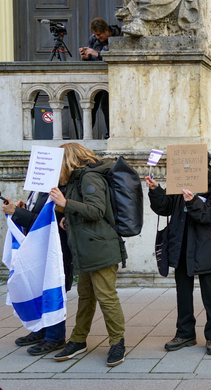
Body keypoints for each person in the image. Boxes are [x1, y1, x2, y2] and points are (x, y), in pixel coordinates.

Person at [48, 143, 126, 367]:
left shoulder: (90, 178)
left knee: (106, 297)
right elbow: (82, 210)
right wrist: (67, 214)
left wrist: (65, 204)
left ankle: (117, 343)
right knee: (86, 297)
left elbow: (96, 210)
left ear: (69, 160)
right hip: (86, 249)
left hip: (100, 248)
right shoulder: (77, 179)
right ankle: (78, 340)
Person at [146, 153, 211, 355]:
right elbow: (165, 208)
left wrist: (192, 202)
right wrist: (156, 191)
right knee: (183, 291)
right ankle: (185, 333)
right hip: (181, 244)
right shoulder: (179, 183)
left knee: (210, 292)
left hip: (207, 246)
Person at [1, 192, 74, 356]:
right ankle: (42, 329)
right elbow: (38, 215)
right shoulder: (41, 188)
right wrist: (22, 210)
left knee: (51, 288)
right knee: (37, 286)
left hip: (54, 248)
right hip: (39, 248)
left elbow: (50, 222)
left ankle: (55, 336)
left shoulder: (59, 187)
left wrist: (17, 213)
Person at [79, 17, 121, 139]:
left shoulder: (118, 37)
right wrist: (85, 56)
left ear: (107, 30)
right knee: (90, 105)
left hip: (113, 79)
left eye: (99, 34)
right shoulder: (93, 38)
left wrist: (97, 54)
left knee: (107, 106)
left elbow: (117, 57)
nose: (97, 37)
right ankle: (85, 136)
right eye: (95, 35)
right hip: (95, 78)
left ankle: (111, 135)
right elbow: (89, 57)